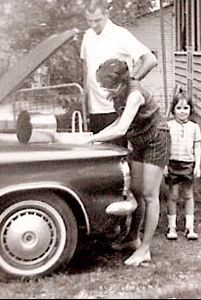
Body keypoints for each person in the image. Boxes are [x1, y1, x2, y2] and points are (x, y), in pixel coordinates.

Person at [80, 58, 170, 267]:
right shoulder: (121, 94)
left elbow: (121, 129)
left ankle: (145, 249)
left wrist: (93, 139)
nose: (105, 91)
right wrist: (97, 135)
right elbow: (118, 121)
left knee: (149, 195)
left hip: (157, 139)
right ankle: (132, 239)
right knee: (137, 191)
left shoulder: (134, 95)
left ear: (120, 83)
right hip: (139, 139)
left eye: (107, 87)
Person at [80, 0, 158, 146]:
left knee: (114, 158)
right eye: (89, 21)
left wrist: (129, 84)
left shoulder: (120, 34)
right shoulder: (87, 36)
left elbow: (150, 60)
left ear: (107, 14)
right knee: (94, 159)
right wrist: (85, 102)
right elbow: (86, 70)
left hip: (115, 109)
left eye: (97, 20)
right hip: (94, 109)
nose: (93, 25)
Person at [164, 91, 201, 241]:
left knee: (188, 195)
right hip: (173, 163)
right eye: (179, 108)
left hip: (188, 164)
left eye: (186, 108)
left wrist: (197, 165)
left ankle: (189, 227)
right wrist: (164, 164)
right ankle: (171, 227)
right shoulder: (168, 126)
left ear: (191, 110)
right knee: (173, 195)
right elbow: (165, 147)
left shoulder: (194, 127)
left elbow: (197, 147)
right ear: (173, 110)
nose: (182, 111)